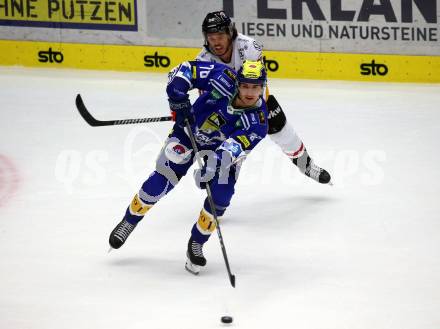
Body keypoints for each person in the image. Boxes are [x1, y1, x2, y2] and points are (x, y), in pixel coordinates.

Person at [109, 60, 269, 275]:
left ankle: (197, 242)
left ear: (263, 86)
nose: (250, 92)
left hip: (220, 155)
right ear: (237, 82)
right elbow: (184, 70)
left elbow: (232, 149)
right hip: (187, 133)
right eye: (246, 86)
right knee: (157, 184)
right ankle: (129, 221)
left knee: (220, 197)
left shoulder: (258, 121)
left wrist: (212, 167)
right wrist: (177, 97)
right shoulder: (222, 76)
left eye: (256, 86)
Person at [197, 11, 331, 184]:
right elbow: (209, 99)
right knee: (230, 156)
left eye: (220, 36)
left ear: (230, 33)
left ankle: (306, 165)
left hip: (257, 102)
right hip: (227, 111)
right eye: (211, 37)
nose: (216, 42)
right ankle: (220, 185)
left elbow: (258, 84)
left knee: (283, 132)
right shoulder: (202, 60)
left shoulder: (248, 46)